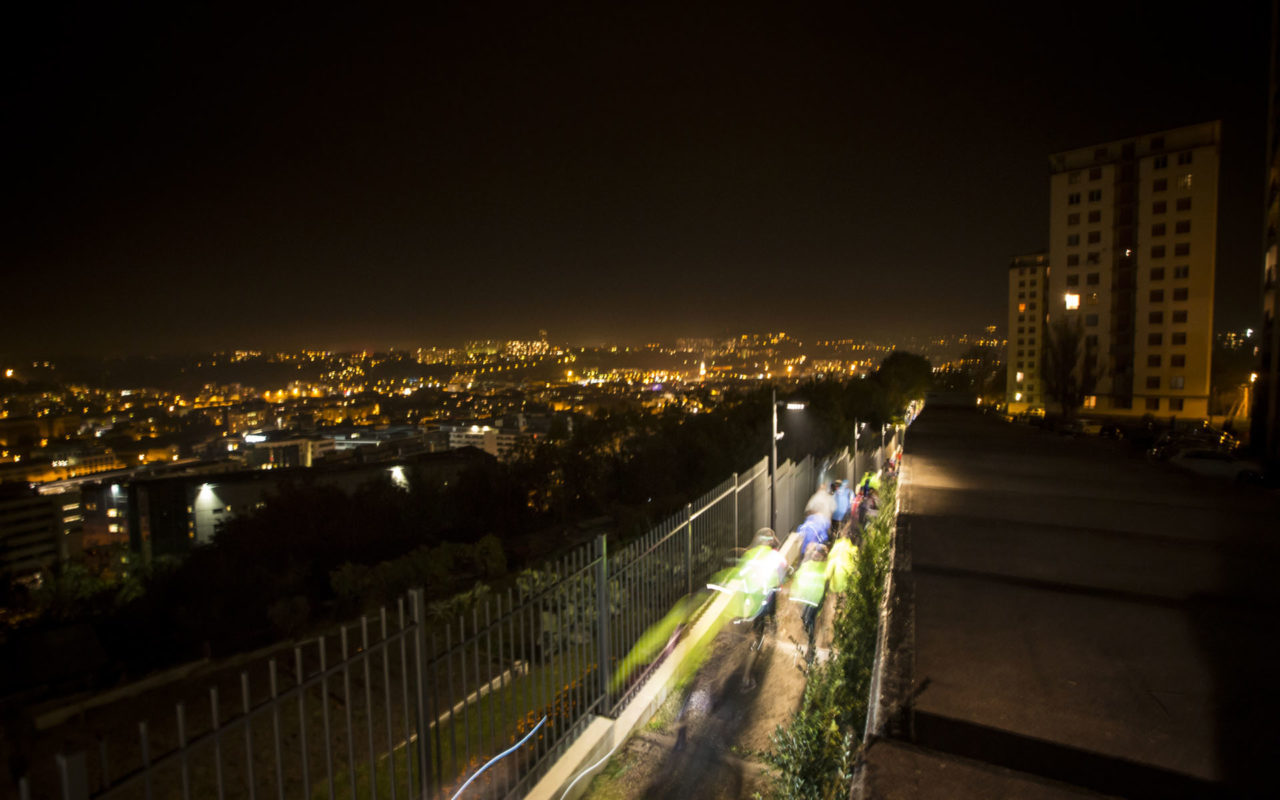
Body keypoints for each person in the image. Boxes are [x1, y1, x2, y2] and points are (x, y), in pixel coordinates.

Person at [790, 542, 829, 652]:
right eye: (815, 551)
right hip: (806, 597)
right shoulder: (807, 565)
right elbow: (798, 577)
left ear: (823, 557)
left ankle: (811, 644)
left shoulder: (825, 568)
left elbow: (826, 584)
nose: (816, 554)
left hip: (816, 599)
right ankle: (810, 635)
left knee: (809, 619)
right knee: (804, 618)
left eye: (819, 553)